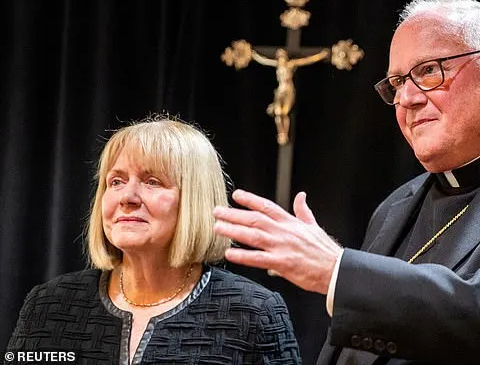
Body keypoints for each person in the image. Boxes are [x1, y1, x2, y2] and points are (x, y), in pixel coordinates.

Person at [211, 0, 480, 364]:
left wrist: (339, 272)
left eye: (429, 70)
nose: (407, 99)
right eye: (397, 82)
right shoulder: (396, 207)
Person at [6, 115, 302, 364]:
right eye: (116, 181)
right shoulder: (48, 304)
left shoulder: (253, 313)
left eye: (152, 182)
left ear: (194, 200)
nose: (127, 198)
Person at [251, 47, 330, 145]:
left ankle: (285, 133)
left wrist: (320, 56)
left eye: (282, 56)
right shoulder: (278, 65)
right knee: (278, 112)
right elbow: (265, 61)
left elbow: (306, 61)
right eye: (279, 57)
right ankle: (281, 133)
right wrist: (254, 56)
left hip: (288, 91)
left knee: (284, 112)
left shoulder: (291, 65)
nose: (280, 59)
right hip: (280, 91)